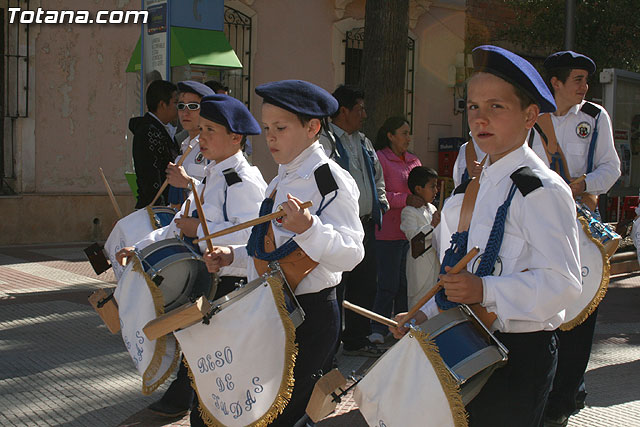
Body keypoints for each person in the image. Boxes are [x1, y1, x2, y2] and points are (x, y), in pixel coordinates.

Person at [390, 45, 582, 427]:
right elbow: (452, 276)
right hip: (461, 341)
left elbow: (565, 286)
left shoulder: (542, 190)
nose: (480, 118)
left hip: (518, 354)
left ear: (530, 116)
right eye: (473, 107)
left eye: (496, 106)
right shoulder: (466, 192)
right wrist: (421, 316)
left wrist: (487, 290)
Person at [202, 79, 365, 426]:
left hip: (310, 314)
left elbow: (353, 252)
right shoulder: (279, 180)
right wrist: (232, 258)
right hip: (274, 309)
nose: (271, 137)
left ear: (313, 128)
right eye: (266, 129)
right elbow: (272, 253)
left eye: (280, 127)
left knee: (282, 416)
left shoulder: (328, 180)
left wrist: (310, 229)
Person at [117, 94, 267, 418]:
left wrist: (199, 228)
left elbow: (252, 236)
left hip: (231, 289)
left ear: (235, 137)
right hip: (208, 284)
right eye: (200, 130)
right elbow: (176, 225)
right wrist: (141, 249)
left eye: (210, 130)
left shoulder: (242, 181)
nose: (200, 138)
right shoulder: (212, 175)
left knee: (218, 388)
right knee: (204, 382)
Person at [529, 51, 621, 427]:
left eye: (586, 80)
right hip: (536, 223)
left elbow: (611, 168)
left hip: (580, 226)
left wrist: (580, 184)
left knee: (580, 311)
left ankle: (564, 398)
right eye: (579, 79)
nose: (585, 87)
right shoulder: (531, 115)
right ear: (556, 83)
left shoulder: (596, 117)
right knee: (542, 309)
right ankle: (545, 389)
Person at [319, 84, 389, 357]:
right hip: (339, 227)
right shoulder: (326, 142)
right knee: (336, 286)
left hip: (365, 225)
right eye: (360, 109)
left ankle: (357, 338)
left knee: (365, 283)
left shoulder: (364, 141)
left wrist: (379, 200)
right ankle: (329, 347)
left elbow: (377, 175)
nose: (365, 115)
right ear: (343, 111)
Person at [369, 116, 422, 344]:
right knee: (388, 283)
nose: (408, 138)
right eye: (404, 133)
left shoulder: (414, 161)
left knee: (405, 284)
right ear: (390, 135)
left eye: (409, 133)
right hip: (388, 232)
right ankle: (377, 328)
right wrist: (405, 199)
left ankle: (401, 327)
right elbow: (378, 194)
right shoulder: (380, 158)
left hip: (411, 232)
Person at [129, 80, 180, 208]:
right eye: (176, 103)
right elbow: (150, 175)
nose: (179, 108)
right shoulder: (148, 132)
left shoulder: (163, 129)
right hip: (155, 208)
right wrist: (159, 208)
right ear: (162, 104)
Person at [165, 81, 215, 208]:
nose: (185, 113)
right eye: (181, 106)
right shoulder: (184, 145)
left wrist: (187, 183)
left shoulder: (214, 147)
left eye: (193, 106)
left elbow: (219, 194)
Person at [400, 166, 441, 308]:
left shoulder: (433, 209)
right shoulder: (409, 211)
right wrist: (432, 226)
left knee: (433, 306)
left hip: (435, 266)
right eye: (432, 187)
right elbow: (412, 235)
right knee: (417, 305)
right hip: (419, 268)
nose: (436, 191)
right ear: (418, 189)